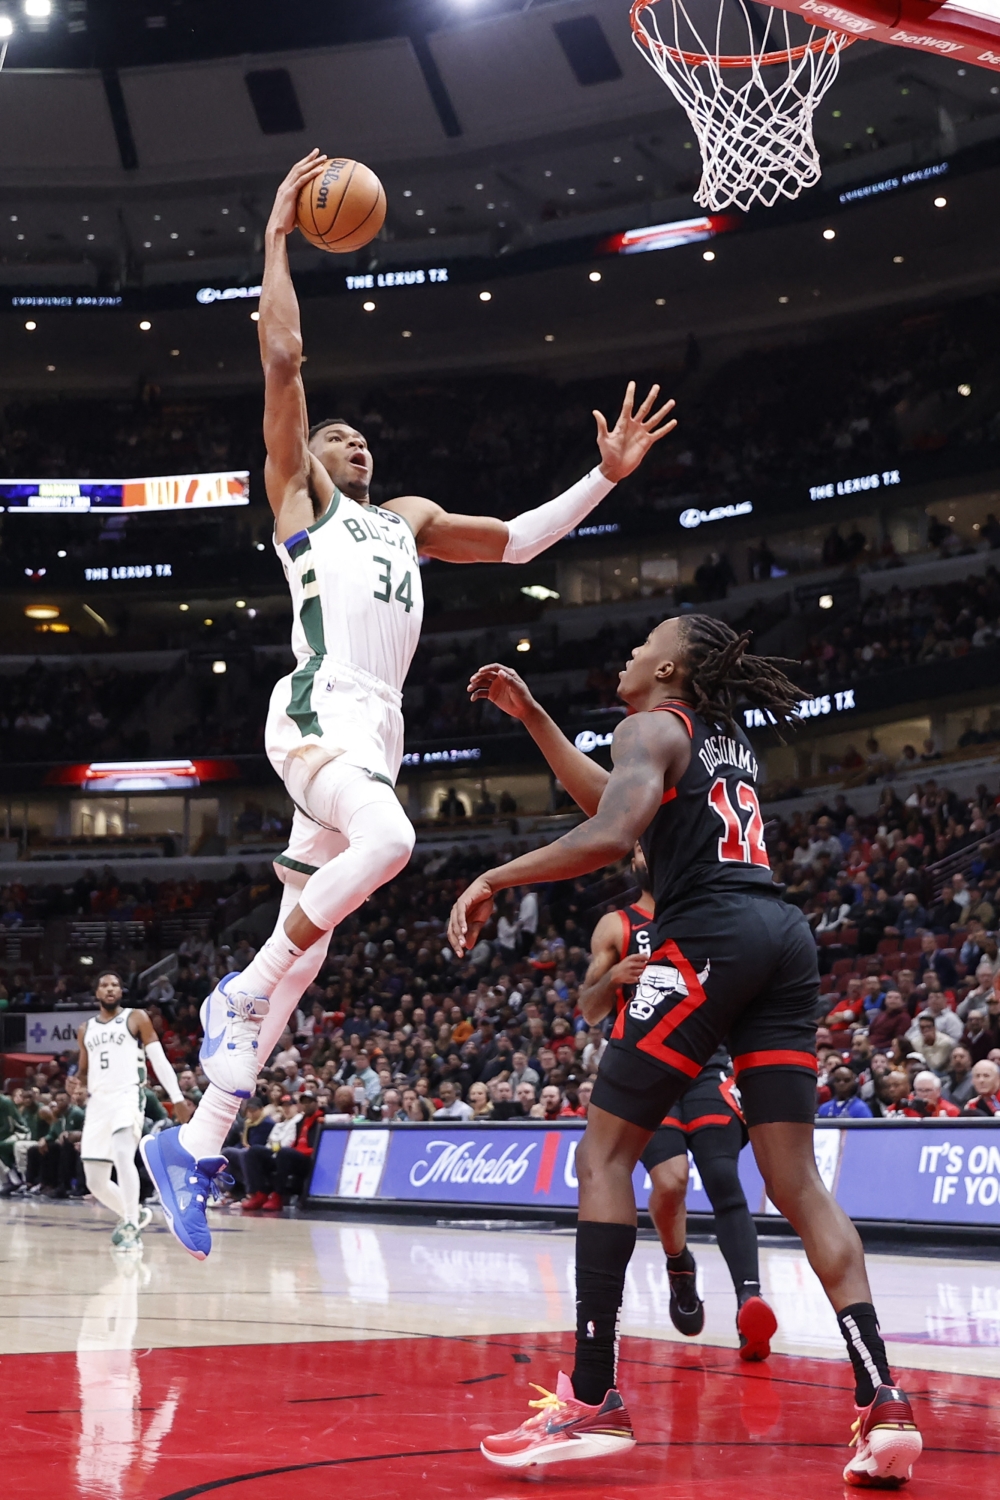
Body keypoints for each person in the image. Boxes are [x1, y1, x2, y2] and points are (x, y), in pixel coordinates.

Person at [144, 153, 678, 1262]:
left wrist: (607, 479)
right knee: (385, 846)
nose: (356, 443)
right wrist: (280, 235)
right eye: (341, 437)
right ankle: (233, 995)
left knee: (313, 955)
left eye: (362, 440)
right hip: (316, 710)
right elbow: (284, 356)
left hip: (374, 725)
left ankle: (191, 1145)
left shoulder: (407, 517)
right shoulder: (302, 498)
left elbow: (523, 540)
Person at [449, 619, 922, 1484]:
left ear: (667, 669)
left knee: (603, 1156)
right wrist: (533, 718)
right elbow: (615, 805)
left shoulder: (648, 725)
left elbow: (605, 835)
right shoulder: (717, 740)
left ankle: (593, 1400)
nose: (626, 653)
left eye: (642, 645)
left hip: (709, 935)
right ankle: (884, 1399)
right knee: (797, 1183)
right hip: (783, 938)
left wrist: (493, 877)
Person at [579, 847, 776, 1360]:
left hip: (706, 1065)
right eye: (643, 845)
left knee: (724, 1177)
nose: (650, 851)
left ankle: (749, 1302)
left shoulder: (704, 914)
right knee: (671, 1182)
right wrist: (612, 978)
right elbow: (588, 1009)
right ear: (634, 861)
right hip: (646, 1067)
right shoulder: (616, 925)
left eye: (656, 843)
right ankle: (678, 1263)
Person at [76, 970, 191, 1252]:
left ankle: (130, 1228)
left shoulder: (136, 1017)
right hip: (98, 1102)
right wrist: (76, 1084)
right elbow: (83, 1071)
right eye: (104, 985)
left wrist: (176, 1097)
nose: (110, 988)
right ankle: (135, 1213)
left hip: (128, 1094)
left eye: (115, 984)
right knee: (95, 1180)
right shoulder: (85, 1029)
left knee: (123, 1153)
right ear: (97, 994)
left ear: (121, 991)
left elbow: (159, 1058)